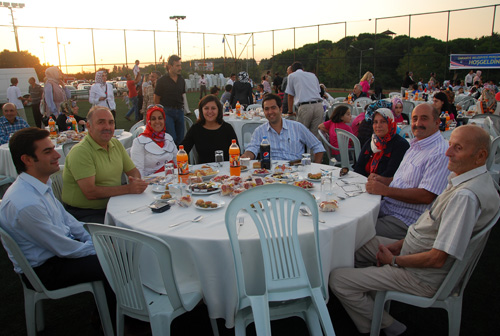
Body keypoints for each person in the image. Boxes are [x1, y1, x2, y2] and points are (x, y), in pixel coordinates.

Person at [330, 125, 499, 336]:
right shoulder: (472, 179)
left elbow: (437, 259)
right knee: (354, 244)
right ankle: (370, 303)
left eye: (457, 148)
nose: (447, 153)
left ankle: (388, 325)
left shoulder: (465, 197)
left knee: (337, 279)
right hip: (412, 249)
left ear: (480, 155)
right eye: (449, 146)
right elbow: (432, 231)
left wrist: (394, 260)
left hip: (423, 275)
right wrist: (399, 245)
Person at [0, 127, 112, 299]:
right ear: (27, 160)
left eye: (53, 149)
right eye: (48, 151)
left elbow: (67, 220)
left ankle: (110, 307)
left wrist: (93, 238)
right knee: (118, 262)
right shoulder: (26, 203)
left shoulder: (38, 185)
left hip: (58, 252)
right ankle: (125, 319)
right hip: (46, 268)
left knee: (117, 247)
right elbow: (64, 248)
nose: (57, 155)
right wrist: (100, 247)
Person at [366, 104, 449, 240]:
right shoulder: (415, 145)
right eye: (415, 119)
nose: (417, 123)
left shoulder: (439, 153)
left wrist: (385, 190)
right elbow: (404, 180)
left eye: (424, 119)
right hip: (388, 207)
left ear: (437, 122)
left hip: (406, 220)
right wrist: (383, 180)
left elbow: (426, 196)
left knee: (354, 231)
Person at [62, 106, 147, 223]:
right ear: (89, 126)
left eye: (111, 123)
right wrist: (128, 188)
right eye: (101, 122)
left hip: (114, 205)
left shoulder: (115, 144)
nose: (107, 127)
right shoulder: (81, 151)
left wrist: (136, 181)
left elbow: (132, 171)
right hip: (85, 213)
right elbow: (91, 192)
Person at [242, 94, 325, 163]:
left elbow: (317, 146)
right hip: (271, 173)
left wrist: (315, 168)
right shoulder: (260, 131)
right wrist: (245, 157)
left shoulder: (297, 127)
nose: (270, 112)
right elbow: (252, 149)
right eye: (267, 109)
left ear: (280, 109)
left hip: (296, 172)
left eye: (273, 108)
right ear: (263, 112)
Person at [181, 95, 238, 164]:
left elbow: (237, 153)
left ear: (218, 110)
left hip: (226, 170)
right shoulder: (196, 129)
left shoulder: (227, 128)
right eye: (206, 108)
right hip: (204, 172)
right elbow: (182, 150)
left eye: (213, 108)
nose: (210, 111)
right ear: (201, 110)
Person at [354, 108, 409, 178]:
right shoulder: (371, 143)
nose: (378, 125)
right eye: (375, 122)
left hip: (387, 186)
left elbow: (390, 174)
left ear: (390, 123)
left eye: (383, 121)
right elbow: (359, 167)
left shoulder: (400, 145)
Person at [131, 105, 177, 177]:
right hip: (151, 183)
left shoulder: (168, 138)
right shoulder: (139, 142)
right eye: (153, 119)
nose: (157, 121)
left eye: (160, 118)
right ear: (148, 121)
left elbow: (177, 162)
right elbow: (138, 172)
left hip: (172, 182)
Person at [154, 55, 191, 145]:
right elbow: (156, 99)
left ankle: (179, 158)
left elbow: (182, 95)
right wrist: (160, 113)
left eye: (180, 65)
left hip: (179, 111)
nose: (180, 68)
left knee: (181, 139)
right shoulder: (162, 81)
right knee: (171, 138)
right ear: (170, 66)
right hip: (167, 112)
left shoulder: (181, 80)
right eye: (177, 66)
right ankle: (171, 158)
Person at [285, 61, 324, 137]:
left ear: (292, 70)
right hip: (319, 106)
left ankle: (302, 149)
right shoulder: (313, 75)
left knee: (300, 135)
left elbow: (290, 96)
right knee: (315, 137)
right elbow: (318, 91)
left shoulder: (292, 76)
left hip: (305, 107)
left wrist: (290, 111)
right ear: (303, 69)